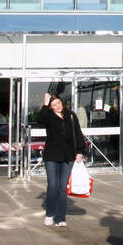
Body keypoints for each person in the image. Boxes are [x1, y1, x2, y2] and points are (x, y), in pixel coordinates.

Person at [33, 84, 87, 228]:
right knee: (53, 186)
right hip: (52, 156)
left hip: (68, 156)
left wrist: (79, 151)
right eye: (53, 105)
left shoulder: (70, 115)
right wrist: (45, 103)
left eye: (58, 103)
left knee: (62, 187)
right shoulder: (48, 116)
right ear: (50, 107)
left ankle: (60, 217)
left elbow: (78, 133)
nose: (57, 106)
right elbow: (39, 119)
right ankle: (50, 214)